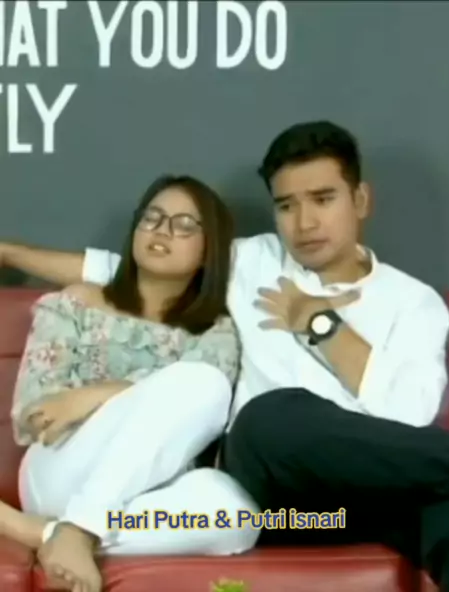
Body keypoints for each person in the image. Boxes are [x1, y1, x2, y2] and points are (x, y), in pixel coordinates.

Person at [2, 121, 449, 591]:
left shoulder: (413, 303)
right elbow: (132, 267)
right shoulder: (252, 261)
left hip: (367, 495)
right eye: (287, 205)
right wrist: (8, 253)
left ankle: (58, 532)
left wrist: (323, 325)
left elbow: (409, 416)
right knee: (270, 416)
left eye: (323, 199)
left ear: (360, 200)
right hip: (277, 496)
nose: (305, 223)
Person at [0, 174, 260, 592]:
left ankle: (58, 535)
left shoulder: (216, 333)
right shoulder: (77, 304)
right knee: (200, 380)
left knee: (237, 512)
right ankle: (80, 526)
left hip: (147, 491)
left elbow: (200, 413)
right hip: (60, 468)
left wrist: (95, 394)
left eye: (184, 224)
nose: (162, 230)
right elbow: (38, 415)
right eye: (152, 218)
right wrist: (107, 404)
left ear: (208, 250)